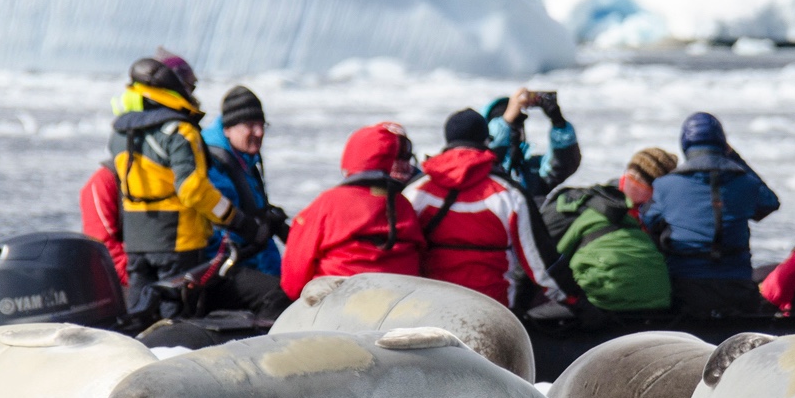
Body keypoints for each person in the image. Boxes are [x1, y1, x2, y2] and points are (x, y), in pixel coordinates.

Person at [108, 49, 271, 318]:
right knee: (175, 321)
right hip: (178, 243)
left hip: (136, 242)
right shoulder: (180, 131)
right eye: (189, 85)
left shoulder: (121, 132)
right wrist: (238, 221)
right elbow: (193, 189)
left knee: (139, 315)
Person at [405, 108, 585, 312]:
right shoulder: (508, 193)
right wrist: (576, 302)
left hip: (430, 307)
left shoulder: (416, 190)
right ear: (485, 139)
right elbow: (540, 264)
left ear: (447, 139)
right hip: (493, 311)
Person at [640, 112, 780, 317]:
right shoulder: (746, 183)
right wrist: (734, 157)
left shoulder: (665, 185)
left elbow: (646, 220)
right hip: (738, 287)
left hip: (684, 288)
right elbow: (769, 203)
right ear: (723, 144)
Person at [280, 122, 427, 300]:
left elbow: (295, 273)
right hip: (398, 302)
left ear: (351, 155)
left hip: (339, 303)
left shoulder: (327, 204)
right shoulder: (404, 205)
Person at [539, 149, 677, 311]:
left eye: (642, 181)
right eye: (632, 176)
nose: (634, 182)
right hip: (654, 302)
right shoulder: (598, 202)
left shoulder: (657, 216)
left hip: (601, 300)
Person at [201, 85, 290, 277]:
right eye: (250, 125)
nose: (259, 132)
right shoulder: (213, 163)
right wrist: (256, 229)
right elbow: (222, 228)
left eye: (261, 124)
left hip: (256, 260)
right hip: (227, 268)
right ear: (227, 129)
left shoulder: (244, 159)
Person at [483, 88, 581, 202]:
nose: (515, 132)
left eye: (518, 126)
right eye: (510, 129)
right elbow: (490, 154)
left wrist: (559, 123)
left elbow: (563, 164)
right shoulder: (481, 171)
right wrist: (507, 120)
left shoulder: (530, 171)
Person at [79, 161, 128, 285]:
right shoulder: (104, 181)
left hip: (168, 272)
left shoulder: (169, 177)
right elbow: (102, 246)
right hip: (126, 283)